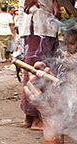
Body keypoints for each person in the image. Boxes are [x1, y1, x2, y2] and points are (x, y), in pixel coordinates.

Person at [19, 0, 59, 130]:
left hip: (37, 29)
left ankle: (30, 116)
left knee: (33, 70)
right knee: (38, 71)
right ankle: (36, 117)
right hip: (39, 29)